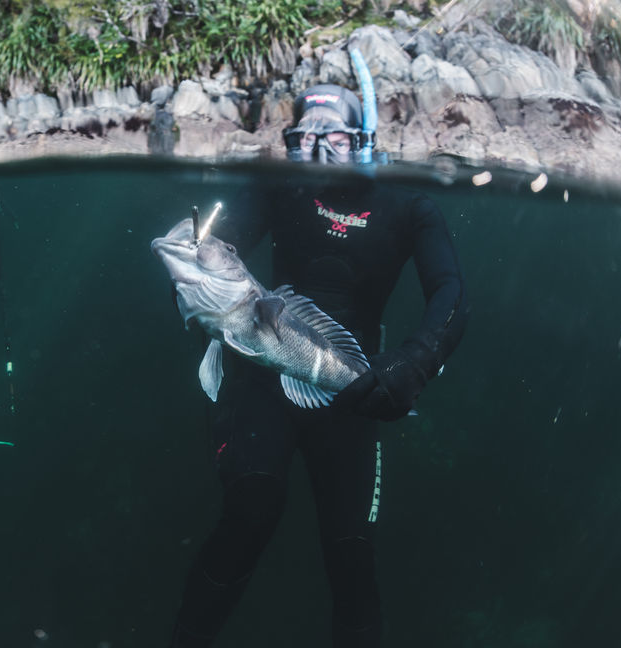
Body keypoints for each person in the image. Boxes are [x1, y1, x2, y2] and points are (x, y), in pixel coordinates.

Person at [167, 84, 469, 647]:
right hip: (260, 375)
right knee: (251, 509)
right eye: (303, 138)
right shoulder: (280, 186)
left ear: (364, 142)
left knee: (352, 556)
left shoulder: (410, 205)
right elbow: (217, 241)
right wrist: (190, 281)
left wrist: (415, 363)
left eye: (335, 138)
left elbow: (451, 293)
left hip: (356, 393)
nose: (318, 151)